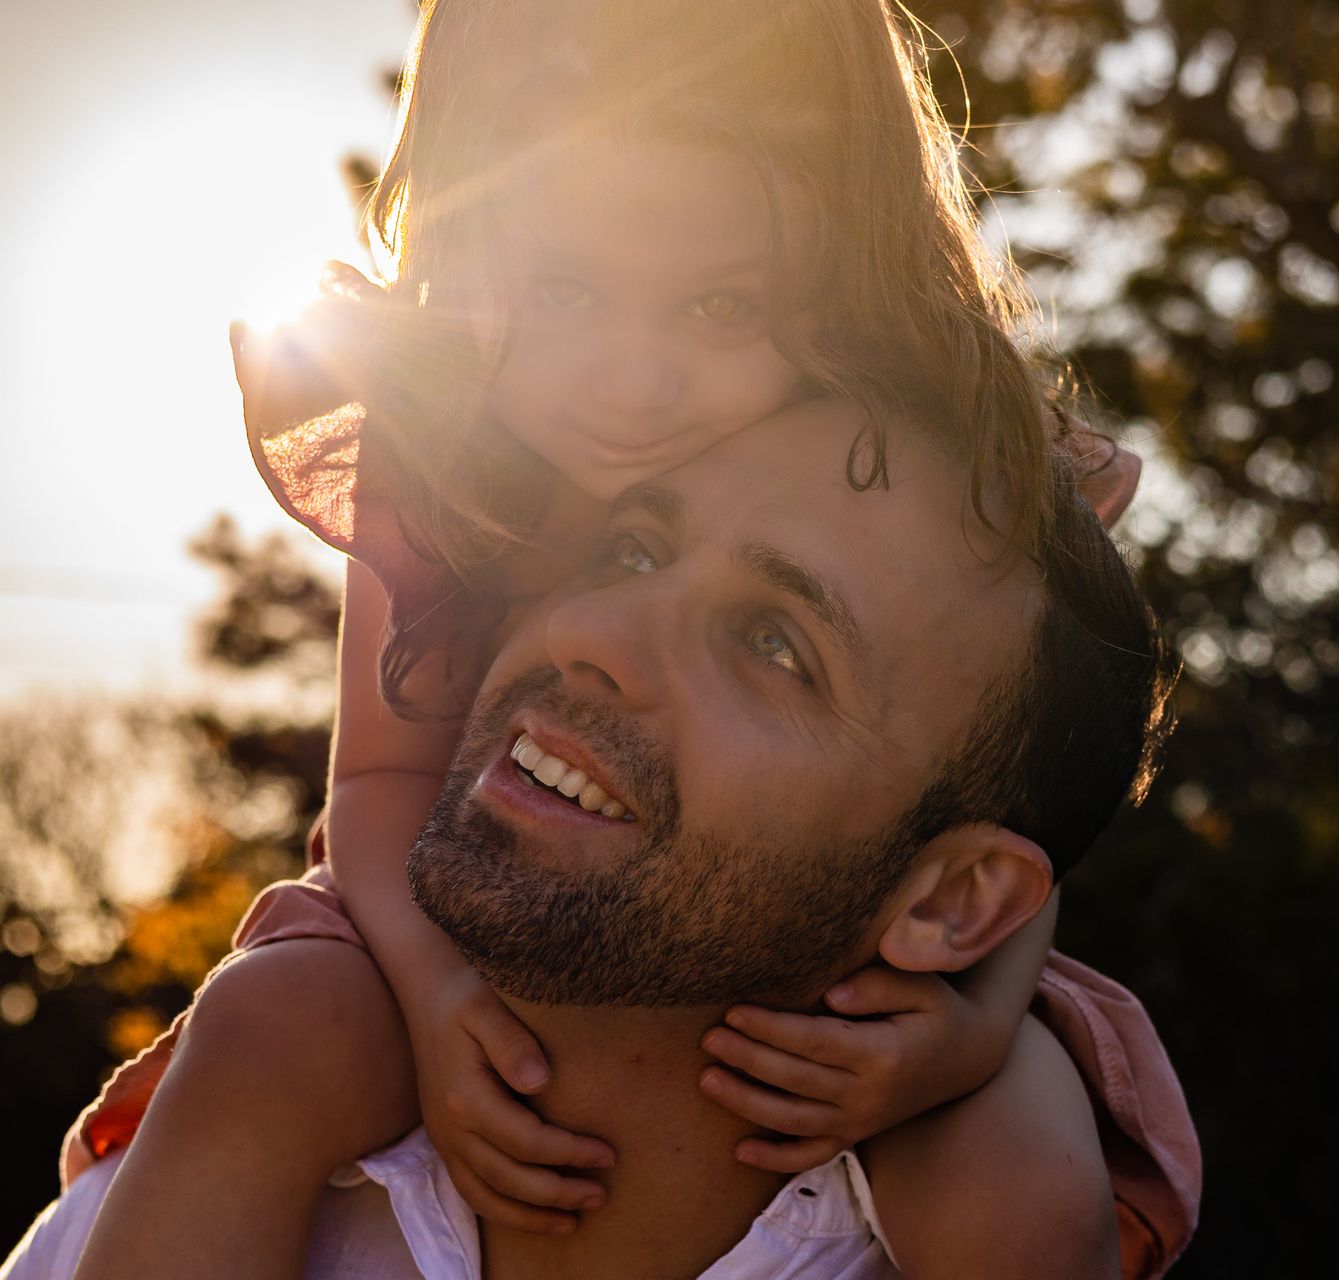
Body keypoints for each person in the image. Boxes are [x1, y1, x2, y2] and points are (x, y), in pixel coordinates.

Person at [52, 1, 1197, 1276]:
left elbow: (1014, 793)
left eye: (718, 303)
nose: (632, 379)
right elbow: (374, 781)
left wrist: (969, 1030)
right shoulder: (435, 459)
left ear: (833, 274)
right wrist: (436, 1000)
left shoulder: (880, 451)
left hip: (868, 918)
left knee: (1014, 1150)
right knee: (276, 1024)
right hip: (421, 894)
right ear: (470, 249)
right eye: (563, 290)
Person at [7, 397, 1181, 1279]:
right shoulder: (183, 1183)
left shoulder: (996, 1208)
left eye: (776, 643)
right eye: (632, 548)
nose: (590, 632)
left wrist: (978, 1034)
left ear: (953, 902)